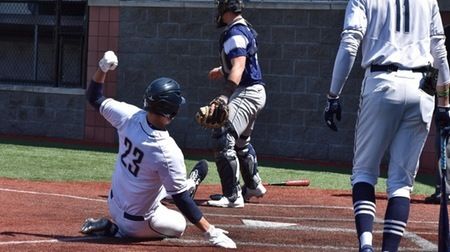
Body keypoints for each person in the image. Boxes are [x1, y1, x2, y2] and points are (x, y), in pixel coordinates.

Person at [323, 0, 450, 251]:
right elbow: (439, 55)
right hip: (422, 86)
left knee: (364, 172)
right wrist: (445, 104)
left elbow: (350, 43)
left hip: (381, 81)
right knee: (401, 184)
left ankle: (367, 246)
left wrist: (333, 95)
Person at [79, 51, 236, 249]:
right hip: (134, 223)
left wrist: (103, 67)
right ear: (172, 112)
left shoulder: (128, 115)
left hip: (113, 202)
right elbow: (181, 200)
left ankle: (187, 185)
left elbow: (94, 96)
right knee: (179, 223)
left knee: (158, 179)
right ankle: (114, 230)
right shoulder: (166, 150)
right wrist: (211, 232)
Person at [205, 0, 267, 208]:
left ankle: (232, 196)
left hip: (247, 92)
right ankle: (252, 185)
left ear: (227, 10)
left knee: (222, 136)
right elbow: (243, 62)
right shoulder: (244, 28)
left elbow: (239, 65)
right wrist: (222, 70)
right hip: (255, 92)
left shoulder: (234, 33)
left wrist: (224, 95)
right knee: (241, 143)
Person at [425, 25, 450, 204]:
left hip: (445, 99)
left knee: (444, 144)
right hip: (445, 96)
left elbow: (436, 65)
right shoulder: (445, 33)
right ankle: (444, 189)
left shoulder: (445, 34)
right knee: (443, 145)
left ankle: (444, 190)